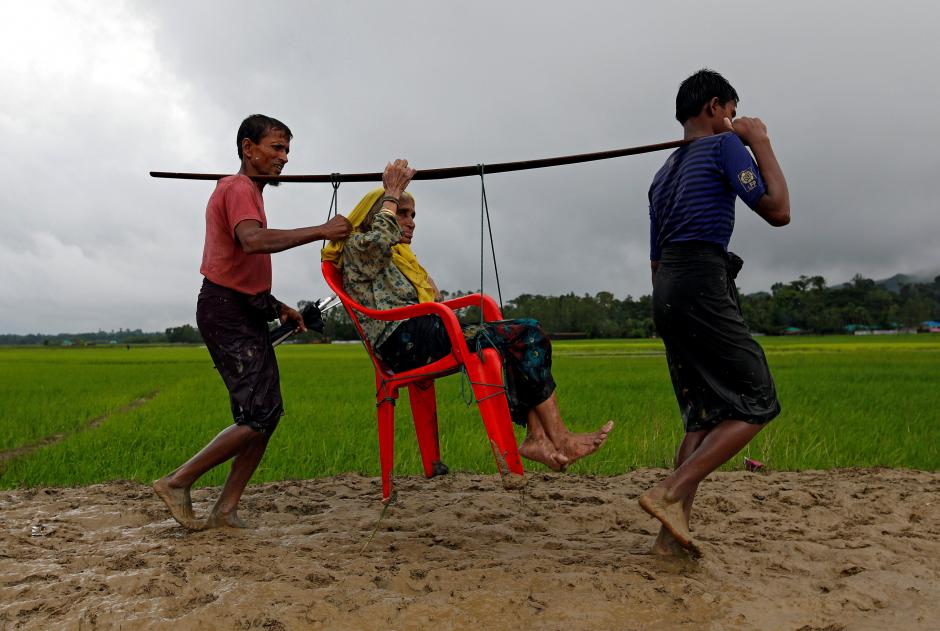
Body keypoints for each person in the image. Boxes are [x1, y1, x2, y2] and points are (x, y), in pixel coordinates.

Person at [322, 160, 614, 470]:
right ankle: (559, 438)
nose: (410, 222)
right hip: (402, 343)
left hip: (424, 332)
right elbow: (379, 242)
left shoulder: (401, 259)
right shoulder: (357, 246)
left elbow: (426, 295)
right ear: (375, 215)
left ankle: (537, 437)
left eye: (413, 215)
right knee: (526, 332)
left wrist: (428, 289)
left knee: (524, 337)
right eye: (402, 213)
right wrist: (392, 192)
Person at [153, 114, 352, 530]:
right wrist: (322, 230)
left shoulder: (249, 192)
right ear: (248, 148)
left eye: (286, 151)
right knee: (259, 414)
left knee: (265, 413)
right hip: (225, 311)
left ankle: (226, 509)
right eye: (275, 149)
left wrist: (277, 306)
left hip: (242, 306)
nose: (283, 158)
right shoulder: (238, 187)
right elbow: (252, 242)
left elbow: (240, 266)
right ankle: (177, 481)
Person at [639, 70, 790, 555]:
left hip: (667, 290)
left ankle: (670, 538)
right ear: (713, 108)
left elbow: (656, 260)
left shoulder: (661, 175)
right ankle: (669, 492)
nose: (734, 119)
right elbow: (777, 209)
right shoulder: (727, 148)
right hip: (701, 278)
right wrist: (759, 141)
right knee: (758, 400)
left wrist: (674, 305)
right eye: (731, 110)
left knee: (702, 418)